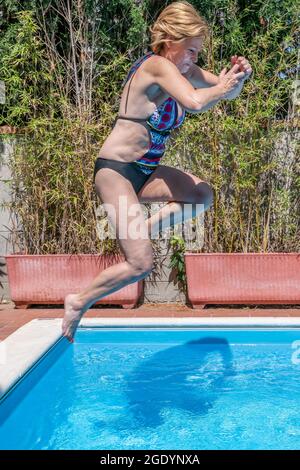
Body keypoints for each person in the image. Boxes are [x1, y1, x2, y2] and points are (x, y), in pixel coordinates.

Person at [62, 1, 252, 342]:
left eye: (198, 52)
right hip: (117, 171)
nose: (195, 58)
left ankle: (145, 228)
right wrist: (222, 87)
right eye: (191, 49)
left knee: (200, 195)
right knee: (140, 265)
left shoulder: (184, 70)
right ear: (170, 40)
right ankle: (78, 302)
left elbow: (226, 92)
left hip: (146, 171)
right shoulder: (158, 66)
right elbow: (195, 102)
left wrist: (238, 76)